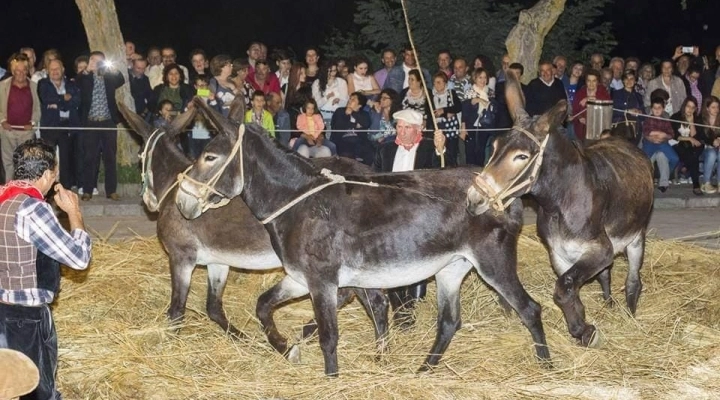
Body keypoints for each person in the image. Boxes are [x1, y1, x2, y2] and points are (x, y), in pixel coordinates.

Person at [0, 138, 92, 400]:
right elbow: (79, 258)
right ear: (46, 174)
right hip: (24, 320)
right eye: (55, 172)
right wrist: (74, 212)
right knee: (36, 390)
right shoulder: (32, 209)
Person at [372, 108, 446, 326]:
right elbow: (373, 180)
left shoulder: (428, 148)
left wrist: (441, 151)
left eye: (406, 128)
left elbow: (443, 175)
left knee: (413, 257)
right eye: (399, 127)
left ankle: (413, 301)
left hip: (419, 214)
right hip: (389, 214)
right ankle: (400, 308)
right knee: (391, 259)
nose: (401, 132)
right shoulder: (385, 150)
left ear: (417, 129)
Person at [76, 51, 125, 201]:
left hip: (108, 121)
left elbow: (121, 80)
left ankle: (111, 191)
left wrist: (113, 69)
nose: (96, 63)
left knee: (110, 157)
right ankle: (87, 190)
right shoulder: (85, 77)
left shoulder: (109, 77)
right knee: (90, 157)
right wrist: (86, 70)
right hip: (90, 122)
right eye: (93, 60)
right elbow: (77, 82)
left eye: (99, 61)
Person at [38, 59, 80, 189]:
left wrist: (57, 103)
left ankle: (65, 189)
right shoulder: (43, 84)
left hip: (66, 126)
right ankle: (47, 189)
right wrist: (64, 98)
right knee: (48, 160)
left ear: (63, 70)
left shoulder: (71, 84)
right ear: (47, 71)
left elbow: (76, 102)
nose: (54, 72)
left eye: (57, 69)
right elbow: (46, 99)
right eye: (52, 69)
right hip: (49, 126)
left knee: (66, 160)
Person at [0, 53, 41, 184]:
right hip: (7, 132)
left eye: (24, 70)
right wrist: (2, 121)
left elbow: (38, 109)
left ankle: (26, 193)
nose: (21, 73)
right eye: (18, 70)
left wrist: (33, 122)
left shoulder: (34, 86)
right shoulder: (2, 86)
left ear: (28, 70)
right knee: (8, 164)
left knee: (27, 164)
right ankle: (9, 192)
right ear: (13, 71)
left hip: (27, 132)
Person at [642, 97, 679, 192]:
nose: (657, 110)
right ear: (651, 109)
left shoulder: (666, 120)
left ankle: (665, 176)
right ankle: (646, 182)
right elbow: (646, 132)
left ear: (663, 109)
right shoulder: (648, 119)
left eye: (659, 108)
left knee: (675, 158)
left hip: (663, 143)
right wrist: (657, 134)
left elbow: (671, 134)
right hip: (650, 143)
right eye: (655, 108)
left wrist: (664, 135)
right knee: (645, 161)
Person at [461, 67, 497, 166]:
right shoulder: (469, 92)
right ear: (475, 78)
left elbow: (494, 109)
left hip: (484, 127)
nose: (483, 80)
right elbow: (465, 111)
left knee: (481, 153)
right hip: (471, 127)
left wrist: (488, 103)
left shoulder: (490, 92)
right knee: (470, 153)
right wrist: (463, 129)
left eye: (485, 77)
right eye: (480, 77)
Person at [670, 97, 704, 195]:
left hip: (693, 145)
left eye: (693, 108)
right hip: (679, 143)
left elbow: (696, 136)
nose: (690, 109)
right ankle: (696, 184)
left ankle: (685, 167)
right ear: (684, 106)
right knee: (693, 157)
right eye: (688, 106)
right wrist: (689, 139)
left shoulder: (697, 119)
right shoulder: (675, 117)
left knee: (696, 149)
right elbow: (675, 136)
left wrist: (691, 122)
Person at [330, 92, 373, 164]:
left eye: (353, 100)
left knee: (370, 152)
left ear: (359, 105)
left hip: (360, 141)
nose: (349, 101)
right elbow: (337, 127)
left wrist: (352, 113)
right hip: (342, 139)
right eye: (350, 99)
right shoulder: (340, 111)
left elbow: (366, 124)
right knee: (347, 155)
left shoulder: (364, 114)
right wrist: (354, 124)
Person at [571, 69, 611, 141]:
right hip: (583, 129)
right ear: (586, 82)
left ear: (598, 82)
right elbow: (575, 111)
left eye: (594, 81)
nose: (591, 83)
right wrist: (579, 118)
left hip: (599, 129)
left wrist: (588, 98)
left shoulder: (603, 92)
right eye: (589, 81)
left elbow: (607, 106)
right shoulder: (580, 93)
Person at [431, 72, 461, 164]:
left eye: (439, 82)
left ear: (445, 83)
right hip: (438, 127)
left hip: (450, 129)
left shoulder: (451, 94)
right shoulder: (431, 96)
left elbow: (458, 107)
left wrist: (443, 110)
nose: (437, 85)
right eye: (435, 83)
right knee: (440, 153)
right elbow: (431, 113)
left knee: (451, 154)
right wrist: (446, 113)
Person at [312, 59, 348, 127]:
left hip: (337, 115)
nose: (332, 73)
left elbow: (345, 102)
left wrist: (339, 101)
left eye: (334, 71)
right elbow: (316, 104)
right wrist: (326, 97)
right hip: (322, 115)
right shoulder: (317, 83)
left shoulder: (342, 82)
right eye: (329, 71)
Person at [612, 70, 644, 143]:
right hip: (621, 128)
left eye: (631, 78)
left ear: (635, 81)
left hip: (635, 130)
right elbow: (613, 111)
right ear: (623, 80)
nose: (629, 81)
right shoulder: (616, 94)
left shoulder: (638, 96)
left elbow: (643, 116)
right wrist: (627, 111)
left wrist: (639, 112)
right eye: (626, 78)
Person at [700, 96, 720, 194]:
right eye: (713, 107)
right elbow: (701, 137)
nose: (716, 110)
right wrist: (712, 141)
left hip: (718, 147)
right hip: (705, 148)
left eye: (717, 107)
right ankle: (706, 183)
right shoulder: (701, 119)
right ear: (707, 108)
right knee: (712, 154)